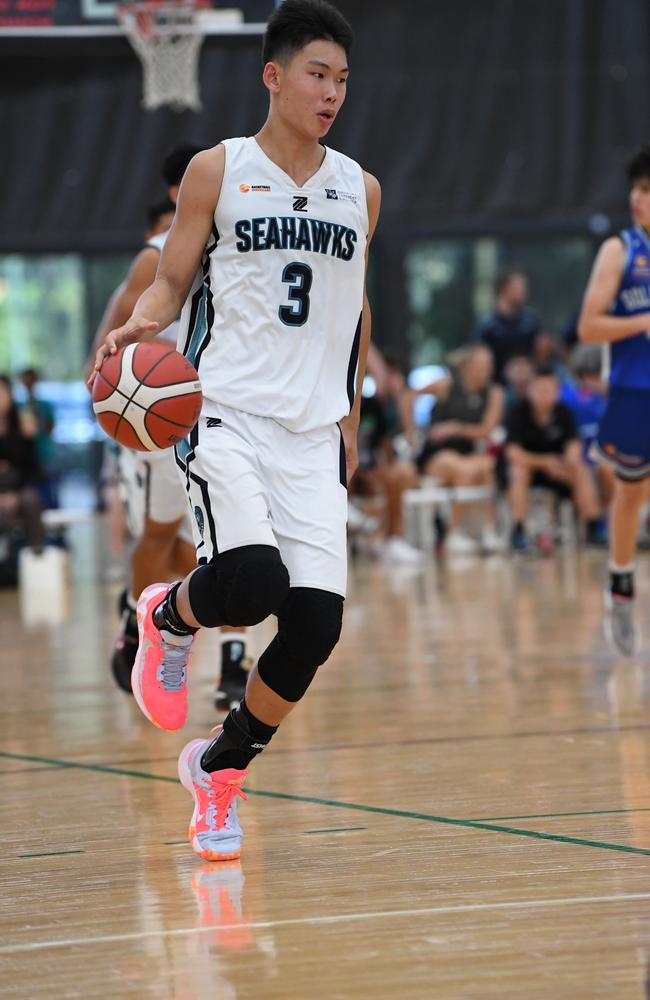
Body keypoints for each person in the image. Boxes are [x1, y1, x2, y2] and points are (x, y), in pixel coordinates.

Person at [93, 0, 379, 863]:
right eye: (317, 75)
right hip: (226, 413)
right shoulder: (220, 170)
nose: (330, 93)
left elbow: (353, 314)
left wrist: (353, 417)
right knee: (251, 579)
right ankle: (166, 615)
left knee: (316, 627)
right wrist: (143, 325)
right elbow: (172, 278)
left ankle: (218, 774)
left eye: (341, 80)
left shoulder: (359, 188)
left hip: (312, 430)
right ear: (275, 76)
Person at [88, 148, 250, 708]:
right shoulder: (153, 257)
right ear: (177, 196)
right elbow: (111, 339)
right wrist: (109, 395)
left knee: (231, 545)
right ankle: (141, 630)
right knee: (166, 542)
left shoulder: (245, 244)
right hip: (161, 418)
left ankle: (234, 664)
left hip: (226, 413)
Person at [578, 144, 650, 655]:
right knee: (631, 495)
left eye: (647, 190)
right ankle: (621, 586)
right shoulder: (620, 250)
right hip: (634, 392)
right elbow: (588, 325)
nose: (638, 198)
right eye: (637, 188)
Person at [416, 344, 505, 554]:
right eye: (482, 365)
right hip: (438, 454)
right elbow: (407, 395)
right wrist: (411, 432)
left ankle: (489, 531)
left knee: (487, 466)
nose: (487, 370)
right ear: (467, 366)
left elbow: (486, 430)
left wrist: (456, 428)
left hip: (469, 453)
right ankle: (452, 532)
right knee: (462, 467)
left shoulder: (493, 392)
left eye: (489, 365)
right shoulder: (445, 385)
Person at [506, 365, 602, 552]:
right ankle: (518, 530)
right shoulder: (519, 413)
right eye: (540, 390)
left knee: (580, 468)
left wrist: (566, 461)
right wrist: (544, 462)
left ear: (557, 392)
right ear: (530, 391)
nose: (544, 395)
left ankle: (593, 527)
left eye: (549, 390)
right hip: (530, 469)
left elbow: (574, 446)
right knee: (517, 472)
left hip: (558, 469)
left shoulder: (564, 413)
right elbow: (513, 453)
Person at [0, 375, 45, 553]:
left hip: (19, 488)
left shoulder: (23, 426)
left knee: (30, 499)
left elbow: (31, 468)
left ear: (10, 395)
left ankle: (36, 554)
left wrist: (13, 495)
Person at [475, 270, 540, 384]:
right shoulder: (488, 325)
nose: (524, 291)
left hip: (528, 388)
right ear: (504, 289)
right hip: (497, 386)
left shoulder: (531, 320)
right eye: (519, 286)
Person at [18, 368, 57, 509]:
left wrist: (38, 416)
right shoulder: (19, 406)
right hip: (28, 457)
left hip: (44, 454)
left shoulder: (44, 405)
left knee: (49, 491)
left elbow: (51, 428)